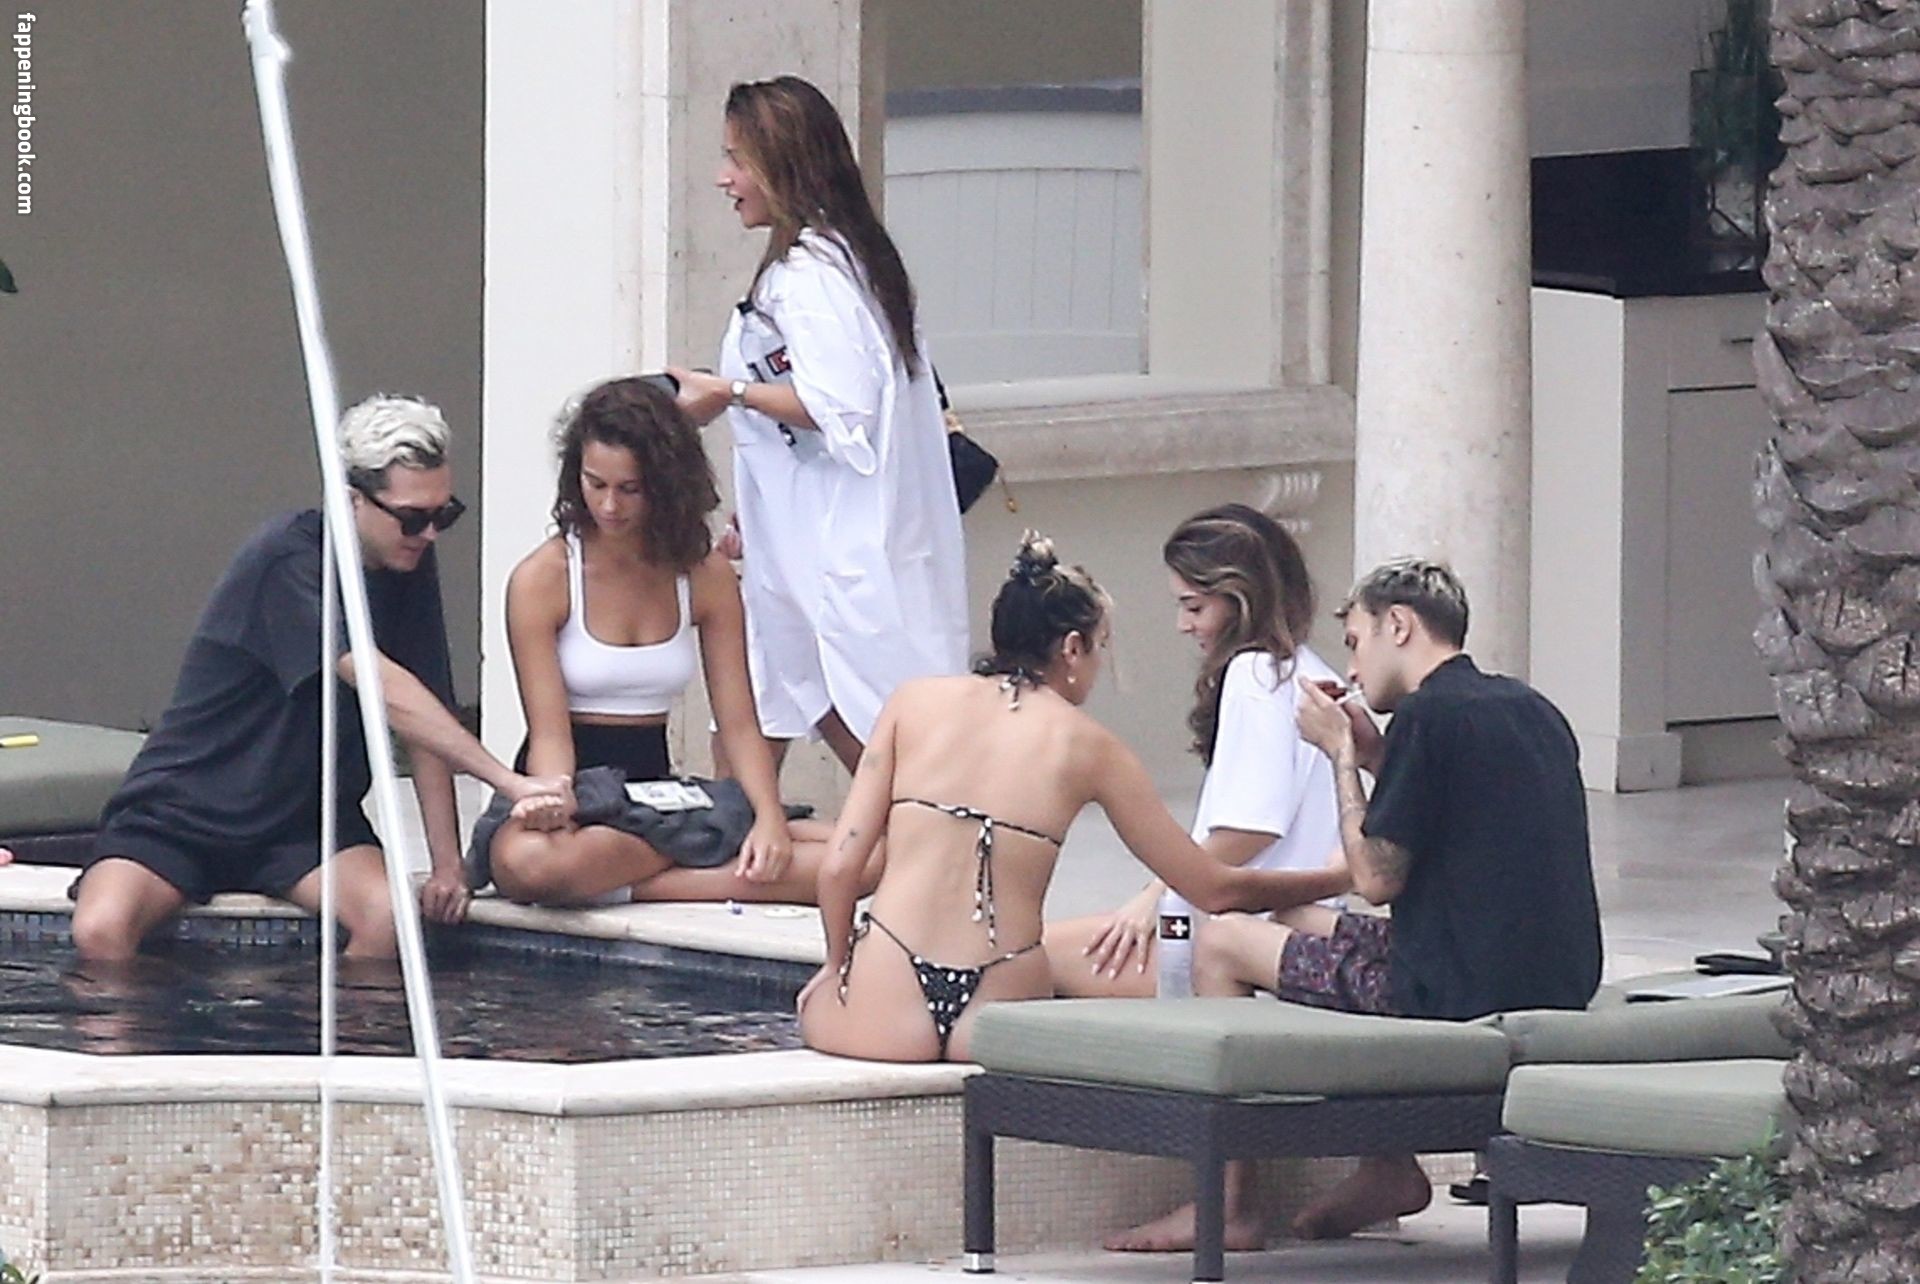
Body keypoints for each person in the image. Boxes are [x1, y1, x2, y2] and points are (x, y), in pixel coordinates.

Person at [1115, 559, 1602, 1251]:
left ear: (1397, 625)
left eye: (1355, 641)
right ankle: (1387, 1169)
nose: (1350, 667)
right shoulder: (1528, 709)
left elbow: (1375, 879)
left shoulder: (1427, 715)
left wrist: (1340, 753)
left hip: (1452, 992)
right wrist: (1378, 756)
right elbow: (1451, 811)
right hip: (1553, 978)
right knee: (1291, 919)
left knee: (1221, 939)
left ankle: (1228, 1206)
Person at [796, 534, 1359, 1065]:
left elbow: (840, 868)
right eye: (1100, 649)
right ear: (1071, 648)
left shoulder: (912, 703)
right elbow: (1213, 887)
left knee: (811, 1006)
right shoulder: (1093, 748)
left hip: (884, 1004)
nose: (1098, 667)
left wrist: (837, 965)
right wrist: (1337, 878)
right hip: (998, 1008)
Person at [70, 396, 573, 961]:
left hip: (304, 824)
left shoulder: (408, 559)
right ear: (352, 499)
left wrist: (447, 865)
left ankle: (342, 1019)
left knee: (391, 921)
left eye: (443, 515)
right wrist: (508, 782)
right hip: (183, 814)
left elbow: (426, 710)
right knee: (101, 929)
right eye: (412, 517)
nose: (429, 533)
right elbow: (380, 683)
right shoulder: (288, 559)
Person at [668, 74, 967, 776]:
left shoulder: (812, 277)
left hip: (837, 546)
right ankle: (751, 825)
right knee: (775, 695)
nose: (723, 178)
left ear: (783, 164)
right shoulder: (849, 261)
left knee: (854, 711)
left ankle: (905, 829)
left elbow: (843, 408)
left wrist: (729, 393)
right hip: (808, 535)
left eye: (737, 159)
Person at [478, 377, 829, 906]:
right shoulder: (543, 578)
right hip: (574, 789)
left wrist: (770, 817)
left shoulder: (703, 573)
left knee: (862, 857)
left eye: (630, 489)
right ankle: (697, 858)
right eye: (595, 484)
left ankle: (631, 879)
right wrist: (554, 800)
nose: (609, 506)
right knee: (531, 863)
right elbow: (549, 735)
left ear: (665, 485)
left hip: (656, 794)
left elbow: (738, 720)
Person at [1045, 504, 1347, 1001]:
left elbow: (1249, 827)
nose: (1183, 625)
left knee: (1021, 962)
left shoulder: (1257, 674)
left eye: (1194, 607)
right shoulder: (1310, 672)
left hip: (1232, 931)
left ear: (1240, 600)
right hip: (1279, 926)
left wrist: (1156, 893)